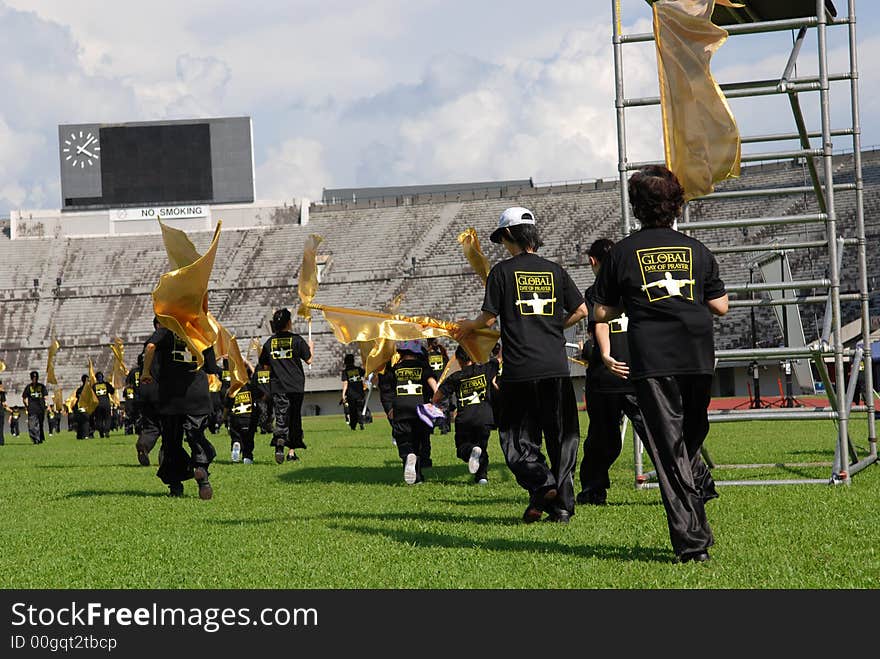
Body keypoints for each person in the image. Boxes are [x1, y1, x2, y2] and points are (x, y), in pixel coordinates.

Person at [592, 165, 728, 564]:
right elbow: (721, 306)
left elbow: (601, 311)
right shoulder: (696, 249)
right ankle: (693, 537)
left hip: (652, 358)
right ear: (677, 205)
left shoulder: (621, 253)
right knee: (689, 434)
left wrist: (631, 302)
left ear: (636, 207)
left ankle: (693, 509)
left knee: (673, 447)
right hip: (698, 355)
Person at [456, 207, 587, 523]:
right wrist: (554, 326)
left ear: (509, 236)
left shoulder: (502, 272)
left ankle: (542, 484)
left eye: (502, 238)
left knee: (517, 439)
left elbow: (488, 317)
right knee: (562, 439)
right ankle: (562, 507)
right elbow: (582, 310)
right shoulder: (555, 270)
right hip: (556, 368)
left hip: (520, 369)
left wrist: (467, 327)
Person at [577, 238, 651, 506]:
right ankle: (682, 485)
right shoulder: (637, 286)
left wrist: (605, 355)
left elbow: (599, 323)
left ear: (592, 261)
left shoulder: (595, 290)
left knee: (601, 440)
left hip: (606, 377)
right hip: (637, 373)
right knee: (656, 436)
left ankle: (593, 491)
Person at [141, 324, 221, 499]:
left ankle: (175, 485)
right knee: (196, 435)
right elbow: (211, 367)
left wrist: (146, 371)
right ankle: (201, 472)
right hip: (196, 394)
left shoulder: (165, 330)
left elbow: (150, 347)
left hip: (171, 396)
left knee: (171, 441)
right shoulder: (200, 330)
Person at [433, 345, 498, 484]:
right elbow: (500, 358)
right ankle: (482, 477)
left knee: (462, 448)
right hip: (485, 418)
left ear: (458, 360)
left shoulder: (456, 377)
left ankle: (471, 451)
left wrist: (434, 403)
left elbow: (437, 397)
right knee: (482, 447)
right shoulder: (486, 369)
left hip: (465, 418)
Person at [379, 340, 439, 484]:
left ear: (402, 353)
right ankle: (417, 475)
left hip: (401, 407)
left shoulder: (395, 369)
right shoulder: (423, 366)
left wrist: (390, 409)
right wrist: (435, 402)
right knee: (418, 441)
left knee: (404, 439)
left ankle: (408, 456)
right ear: (417, 353)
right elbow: (433, 385)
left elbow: (387, 390)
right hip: (419, 408)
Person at [258, 308, 313, 465]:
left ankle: (280, 444)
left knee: (281, 416)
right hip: (295, 385)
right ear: (289, 323)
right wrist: (311, 346)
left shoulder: (269, 343)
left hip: (278, 386)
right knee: (294, 418)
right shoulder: (297, 340)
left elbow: (265, 366)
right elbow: (309, 360)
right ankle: (291, 452)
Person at [226, 365, 257, 464]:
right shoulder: (252, 387)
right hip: (249, 417)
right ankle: (247, 457)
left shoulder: (232, 390)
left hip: (236, 417)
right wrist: (248, 363)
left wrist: (224, 417)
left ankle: (236, 443)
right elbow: (257, 375)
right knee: (249, 439)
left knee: (236, 436)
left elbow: (227, 406)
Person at [425, 337, 451, 434]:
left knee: (437, 406)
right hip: (436, 385)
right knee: (438, 406)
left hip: (436, 384)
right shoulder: (440, 356)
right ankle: (438, 427)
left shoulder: (432, 356)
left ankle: (437, 427)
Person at [22, 370, 49, 445]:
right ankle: (35, 439)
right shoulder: (28, 387)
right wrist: (26, 406)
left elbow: (46, 396)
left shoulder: (42, 386)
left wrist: (46, 405)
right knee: (32, 425)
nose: (34, 379)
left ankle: (40, 438)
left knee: (40, 424)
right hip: (32, 409)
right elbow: (24, 398)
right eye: (33, 377)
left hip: (41, 408)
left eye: (36, 377)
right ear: (31, 378)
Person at [340, 353, 366, 431]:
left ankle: (353, 426)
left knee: (352, 410)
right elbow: (365, 374)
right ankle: (361, 422)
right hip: (359, 392)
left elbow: (345, 383)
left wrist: (343, 394)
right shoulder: (358, 369)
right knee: (359, 408)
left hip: (351, 394)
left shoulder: (345, 371)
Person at [92, 372, 115, 438]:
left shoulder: (94, 386)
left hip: (98, 404)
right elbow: (112, 391)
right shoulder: (106, 384)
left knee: (99, 419)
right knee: (107, 418)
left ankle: (101, 432)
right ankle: (107, 431)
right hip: (106, 403)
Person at [74, 375, 92, 439]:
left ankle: (79, 435)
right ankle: (86, 435)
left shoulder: (79, 390)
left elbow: (77, 397)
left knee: (80, 421)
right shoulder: (89, 389)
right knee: (86, 421)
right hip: (86, 406)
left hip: (79, 406)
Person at [0, 380, 8, 445]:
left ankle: (1, 442)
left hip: (1, 412)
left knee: (1, 427)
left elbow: (3, 403)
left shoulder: (2, 393)